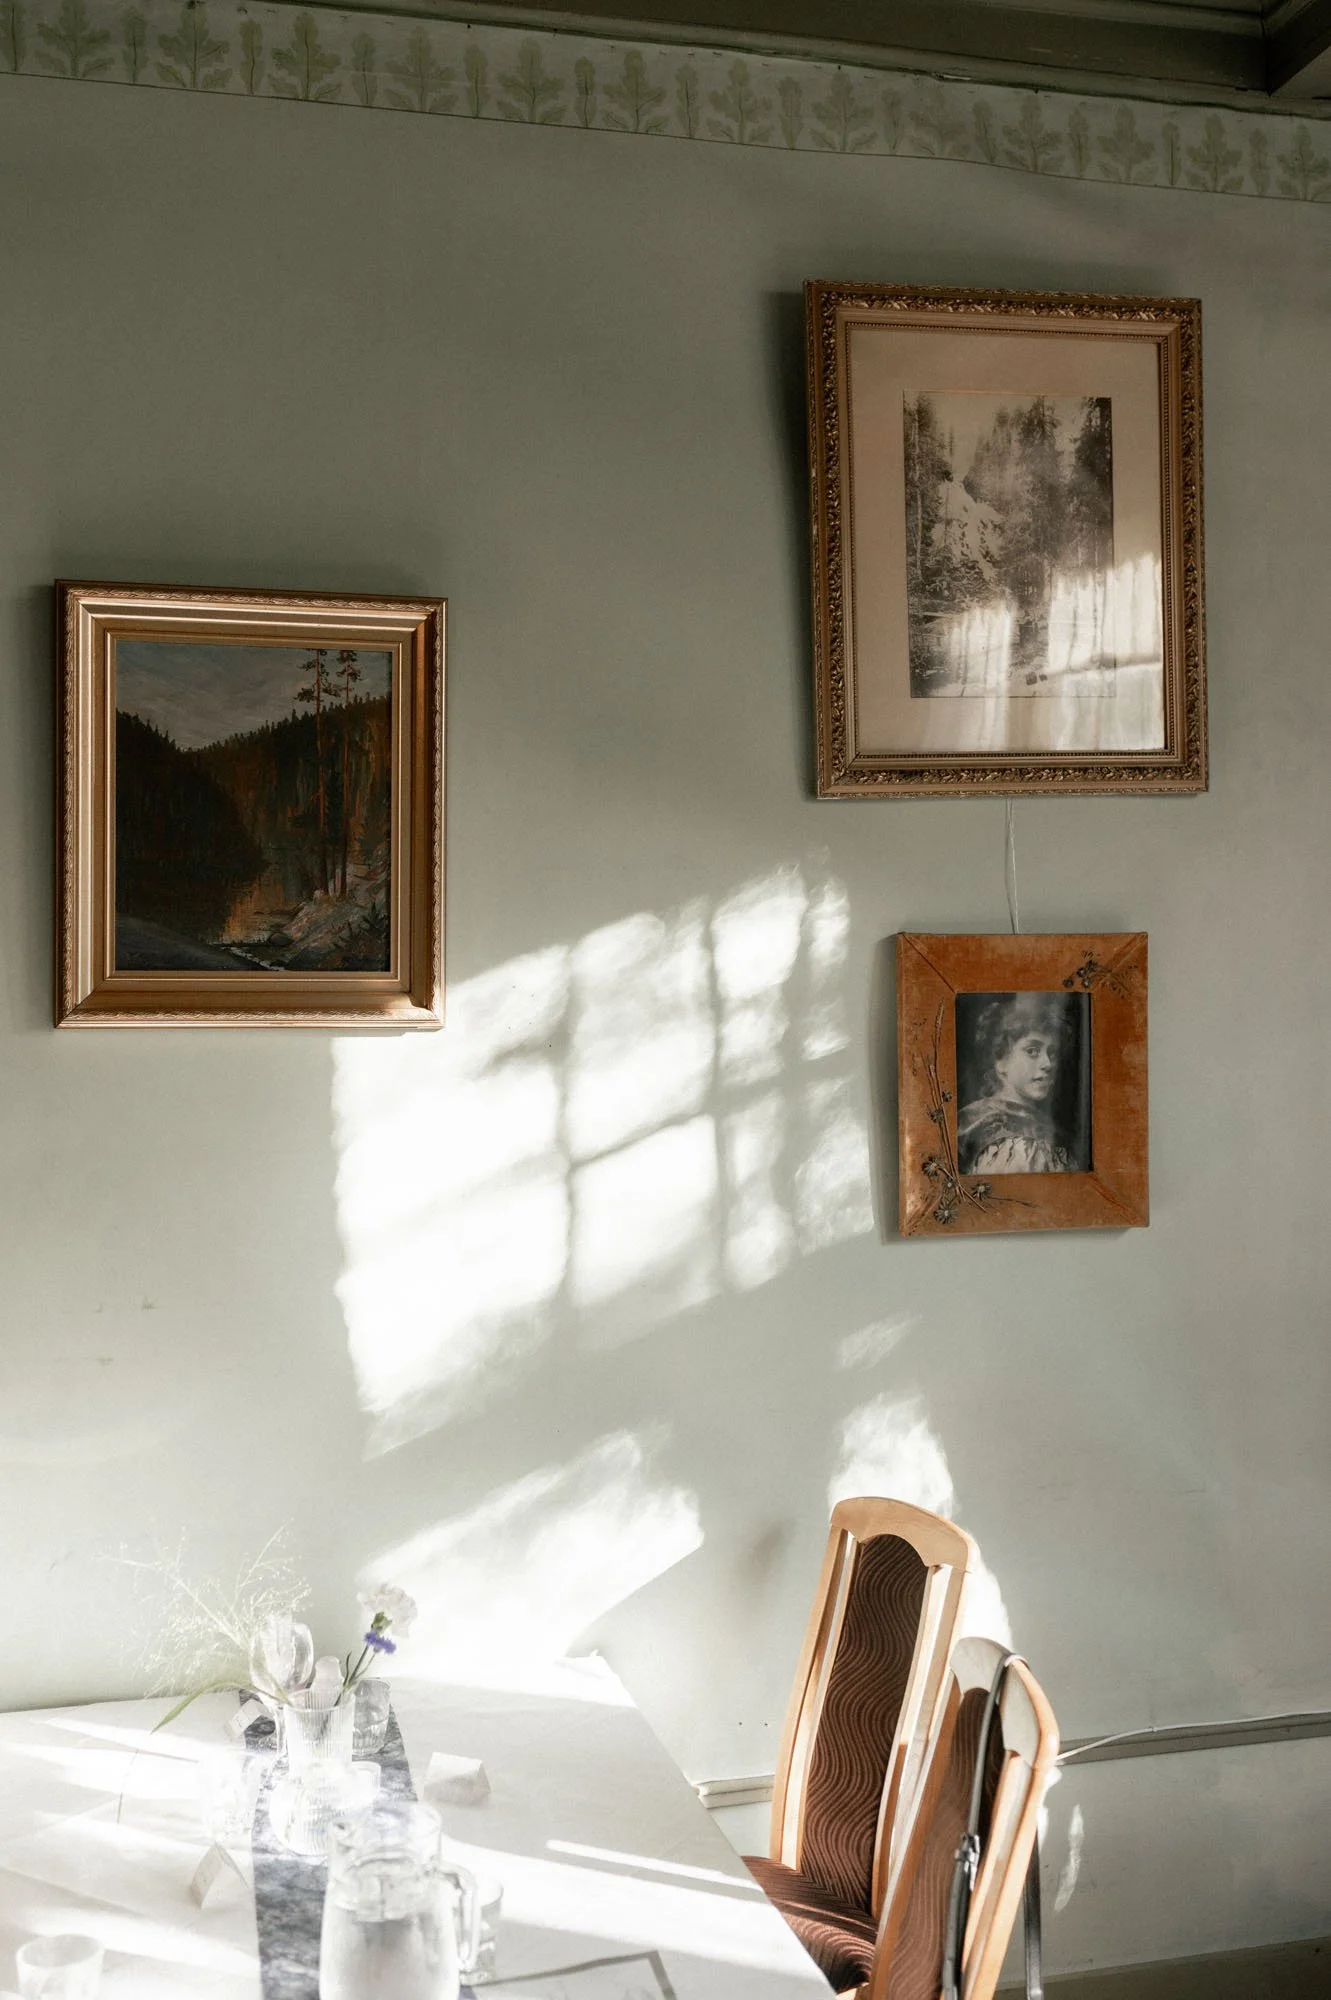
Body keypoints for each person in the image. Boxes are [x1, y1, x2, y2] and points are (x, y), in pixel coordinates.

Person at [956, 993, 1080, 1174]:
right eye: (1032, 1051)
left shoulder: (1052, 1130)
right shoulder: (978, 1123)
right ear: (1000, 1059)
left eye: (1052, 1053)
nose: (1048, 1064)